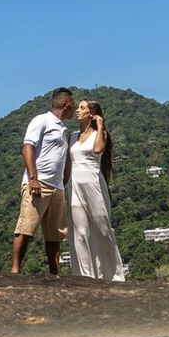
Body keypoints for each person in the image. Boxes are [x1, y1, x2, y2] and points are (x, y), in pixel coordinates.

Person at [12, 88, 75, 275]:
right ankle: (15, 269)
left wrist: (63, 182)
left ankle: (54, 274)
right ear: (66, 104)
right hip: (39, 184)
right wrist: (33, 179)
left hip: (56, 188)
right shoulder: (42, 120)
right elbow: (27, 147)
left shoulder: (64, 130)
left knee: (54, 235)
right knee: (26, 227)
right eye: (73, 102)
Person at [66, 99, 126, 281]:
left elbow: (99, 149)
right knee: (80, 232)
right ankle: (85, 276)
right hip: (74, 183)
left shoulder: (100, 134)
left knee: (102, 229)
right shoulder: (72, 136)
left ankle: (113, 275)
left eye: (82, 108)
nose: (78, 110)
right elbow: (68, 163)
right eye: (78, 107)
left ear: (91, 113)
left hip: (92, 181)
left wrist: (100, 126)